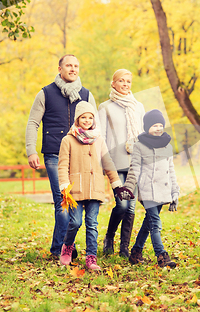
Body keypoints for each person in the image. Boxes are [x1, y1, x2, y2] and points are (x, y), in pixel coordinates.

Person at [25, 54, 98, 259]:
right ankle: (59, 249)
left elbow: (96, 126)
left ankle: (66, 246)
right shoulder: (45, 93)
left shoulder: (86, 95)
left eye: (76, 65)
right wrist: (31, 149)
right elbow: (33, 123)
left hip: (81, 156)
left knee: (76, 202)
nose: (73, 69)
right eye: (68, 65)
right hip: (54, 155)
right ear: (60, 68)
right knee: (63, 201)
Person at [57, 101, 133, 270]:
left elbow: (108, 163)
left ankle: (91, 257)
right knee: (75, 222)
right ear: (77, 119)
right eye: (83, 117)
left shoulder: (99, 140)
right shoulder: (67, 140)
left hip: (95, 188)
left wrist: (117, 185)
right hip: (75, 189)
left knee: (92, 223)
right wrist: (64, 185)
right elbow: (62, 165)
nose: (87, 120)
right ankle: (67, 246)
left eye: (90, 117)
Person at [121, 109, 179, 268]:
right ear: (147, 127)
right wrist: (129, 188)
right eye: (154, 125)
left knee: (148, 222)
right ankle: (161, 255)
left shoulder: (167, 146)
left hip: (163, 190)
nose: (158, 128)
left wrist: (175, 192)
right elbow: (134, 169)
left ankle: (136, 252)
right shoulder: (139, 146)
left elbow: (171, 171)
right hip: (148, 190)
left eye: (161, 125)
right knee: (155, 222)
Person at [98, 69, 146, 258]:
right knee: (123, 206)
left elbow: (143, 134)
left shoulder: (138, 106)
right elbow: (100, 137)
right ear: (113, 83)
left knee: (132, 207)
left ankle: (124, 249)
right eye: (121, 81)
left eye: (128, 81)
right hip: (115, 163)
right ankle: (109, 236)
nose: (125, 84)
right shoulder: (105, 107)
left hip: (135, 162)